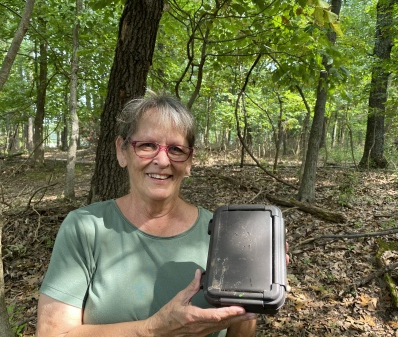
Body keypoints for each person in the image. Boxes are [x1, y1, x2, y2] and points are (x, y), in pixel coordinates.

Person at [36, 95, 272, 337]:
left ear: (189, 161)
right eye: (147, 145)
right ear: (122, 151)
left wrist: (254, 288)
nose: (162, 160)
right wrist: (155, 330)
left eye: (176, 149)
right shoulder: (86, 228)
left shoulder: (222, 234)